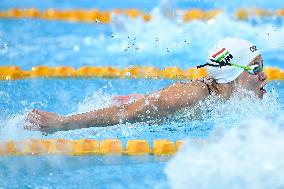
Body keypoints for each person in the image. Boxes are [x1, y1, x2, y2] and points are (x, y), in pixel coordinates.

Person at [25, 37, 267, 134]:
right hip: (142, 113)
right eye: (256, 68)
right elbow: (126, 113)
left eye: (262, 66)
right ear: (232, 73)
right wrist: (61, 122)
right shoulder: (189, 96)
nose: (264, 76)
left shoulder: (226, 95)